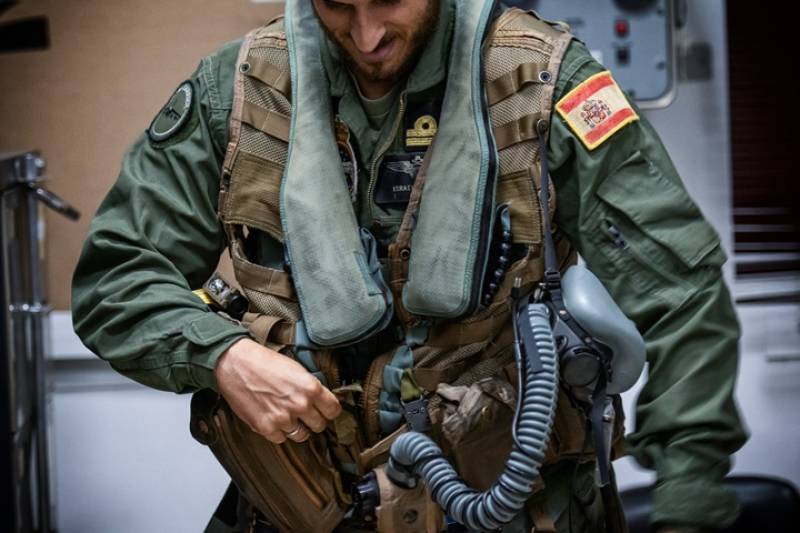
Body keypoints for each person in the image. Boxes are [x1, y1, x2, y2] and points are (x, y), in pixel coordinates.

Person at [71, 1, 747, 532]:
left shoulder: (543, 84)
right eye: (338, 5)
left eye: (389, 0)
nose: (366, 34)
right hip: (297, 506)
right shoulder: (239, 92)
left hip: (514, 509)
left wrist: (688, 503)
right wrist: (221, 356)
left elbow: (681, 294)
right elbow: (115, 279)